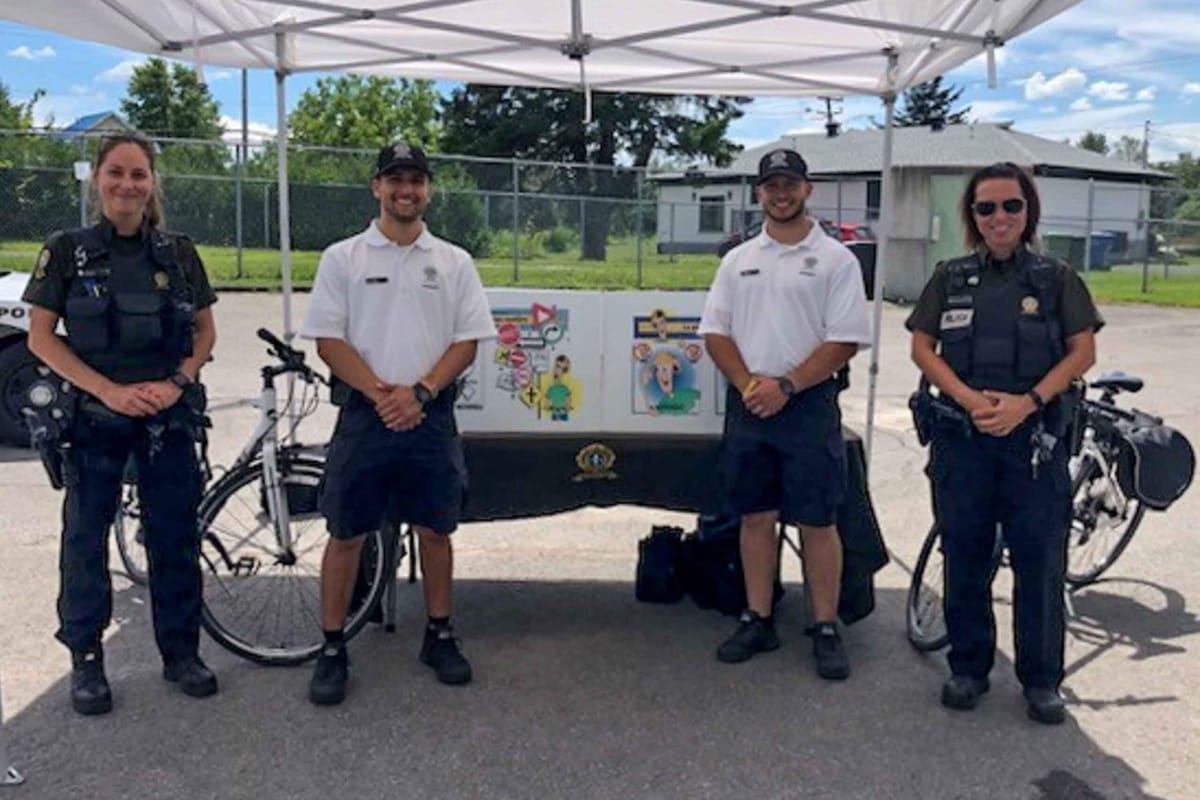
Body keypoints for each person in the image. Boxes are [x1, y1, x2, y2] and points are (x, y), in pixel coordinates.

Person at [23, 133, 219, 715]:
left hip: (168, 417)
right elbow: (40, 337)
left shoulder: (179, 253)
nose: (127, 184)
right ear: (97, 179)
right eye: (116, 172)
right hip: (94, 421)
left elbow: (205, 333)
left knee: (174, 538)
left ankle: (181, 653)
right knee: (85, 542)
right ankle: (86, 659)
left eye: (138, 174)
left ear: (152, 183)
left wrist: (177, 383)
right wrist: (108, 390)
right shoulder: (66, 250)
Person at [905, 162, 1102, 725]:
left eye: (1010, 206)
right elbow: (923, 348)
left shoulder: (1055, 278)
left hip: (1033, 442)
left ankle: (1041, 680)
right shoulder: (951, 276)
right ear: (972, 216)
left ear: (1028, 212)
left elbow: (1081, 353)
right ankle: (968, 667)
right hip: (963, 440)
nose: (999, 218)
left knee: (1040, 561)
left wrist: (1027, 403)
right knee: (964, 553)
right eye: (986, 207)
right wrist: (969, 400)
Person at [300, 142, 496, 706]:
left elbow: (468, 341)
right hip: (366, 415)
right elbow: (329, 340)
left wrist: (421, 393)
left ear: (428, 189)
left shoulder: (454, 261)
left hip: (429, 415)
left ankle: (438, 634)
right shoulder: (343, 257)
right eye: (394, 180)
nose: (405, 191)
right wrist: (383, 395)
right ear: (375, 187)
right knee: (346, 534)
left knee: (437, 531)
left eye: (415, 181)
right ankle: (333, 647)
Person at [698, 148, 871, 679]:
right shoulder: (738, 259)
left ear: (807, 189)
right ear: (758, 193)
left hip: (807, 403)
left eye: (790, 184)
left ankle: (824, 625)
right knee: (755, 516)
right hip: (750, 401)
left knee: (818, 520)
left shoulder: (837, 259)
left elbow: (844, 340)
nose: (781, 193)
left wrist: (788, 386)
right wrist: (751, 385)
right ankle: (758, 618)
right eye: (771, 185)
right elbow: (715, 332)